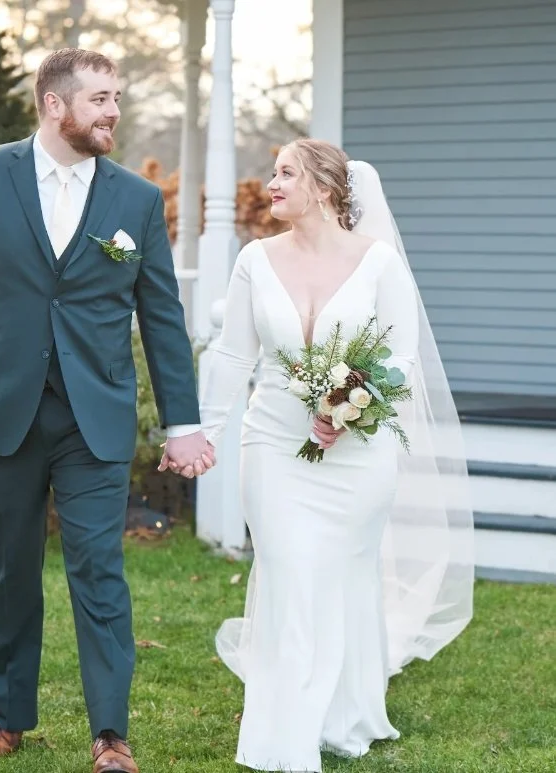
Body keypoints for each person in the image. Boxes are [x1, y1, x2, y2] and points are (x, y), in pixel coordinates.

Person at [0, 48, 213, 772]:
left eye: (117, 98)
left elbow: (164, 319)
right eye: (101, 99)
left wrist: (184, 421)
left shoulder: (136, 202)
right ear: (56, 105)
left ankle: (110, 734)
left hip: (94, 418)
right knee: (9, 570)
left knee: (99, 570)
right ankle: (7, 717)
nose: (114, 110)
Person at [198, 138, 474, 772]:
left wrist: (351, 407)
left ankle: (345, 713)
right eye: (273, 173)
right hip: (271, 445)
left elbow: (403, 361)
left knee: (344, 578)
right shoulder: (254, 259)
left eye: (287, 173)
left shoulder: (380, 264)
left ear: (324, 189)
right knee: (290, 574)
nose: (272, 183)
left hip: (360, 457)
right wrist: (205, 432)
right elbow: (235, 355)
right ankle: (282, 740)